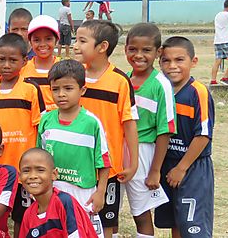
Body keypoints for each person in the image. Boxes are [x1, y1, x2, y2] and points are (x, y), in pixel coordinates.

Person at [73, 20, 138, 236]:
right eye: (75, 39)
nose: (75, 45)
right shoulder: (74, 77)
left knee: (105, 222)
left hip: (107, 169)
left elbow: (129, 125)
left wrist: (133, 163)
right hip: (75, 165)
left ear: (102, 47)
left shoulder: (120, 81)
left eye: (82, 41)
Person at [0, 33, 44, 236]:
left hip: (23, 171)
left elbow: (40, 129)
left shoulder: (31, 90)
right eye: (1, 59)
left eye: (13, 60)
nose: (6, 65)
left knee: (23, 218)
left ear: (24, 61)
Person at [39, 59, 111, 237]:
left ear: (82, 90)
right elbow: (39, 158)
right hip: (53, 189)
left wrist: (100, 192)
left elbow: (104, 162)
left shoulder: (91, 123)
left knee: (84, 232)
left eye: (68, 89)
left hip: (82, 192)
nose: (61, 94)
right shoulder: (46, 121)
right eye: (55, 89)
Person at [155, 37, 215, 237]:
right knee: (177, 222)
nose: (172, 66)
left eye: (179, 60)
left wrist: (181, 168)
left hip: (192, 168)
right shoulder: (161, 90)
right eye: (166, 60)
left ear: (193, 61)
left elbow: (204, 134)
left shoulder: (198, 92)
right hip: (167, 164)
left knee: (194, 226)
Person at [124, 23, 175, 238]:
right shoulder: (123, 79)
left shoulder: (161, 84)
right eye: (133, 49)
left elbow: (165, 131)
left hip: (144, 153)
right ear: (125, 49)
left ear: (158, 52)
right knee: (111, 209)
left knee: (141, 213)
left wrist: (155, 170)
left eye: (146, 50)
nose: (139, 55)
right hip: (120, 149)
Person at [18, 148, 98, 238]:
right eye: (26, 171)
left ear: (54, 174)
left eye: (40, 170)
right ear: (20, 176)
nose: (32, 176)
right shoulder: (29, 214)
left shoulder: (65, 202)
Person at [22, 15, 61, 111]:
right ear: (30, 42)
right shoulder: (22, 70)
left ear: (56, 40)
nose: (42, 44)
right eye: (37, 40)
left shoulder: (65, 70)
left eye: (48, 39)